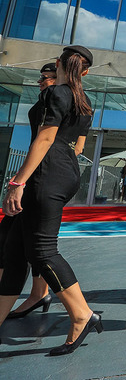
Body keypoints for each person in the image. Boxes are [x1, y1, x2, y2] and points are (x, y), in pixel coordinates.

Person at [0, 46, 100, 356]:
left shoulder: (57, 92)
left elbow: (44, 138)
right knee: (15, 251)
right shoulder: (84, 102)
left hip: (47, 172)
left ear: (58, 64)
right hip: (64, 170)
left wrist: (18, 182)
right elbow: (77, 146)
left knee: (42, 251)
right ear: (84, 71)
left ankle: (82, 314)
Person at [0, 63, 57, 320]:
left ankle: (40, 294)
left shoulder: (64, 102)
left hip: (44, 178)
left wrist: (22, 179)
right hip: (32, 173)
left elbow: (68, 145)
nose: (41, 81)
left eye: (47, 77)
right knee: (12, 237)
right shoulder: (43, 102)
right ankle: (36, 294)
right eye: (41, 77)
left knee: (34, 244)